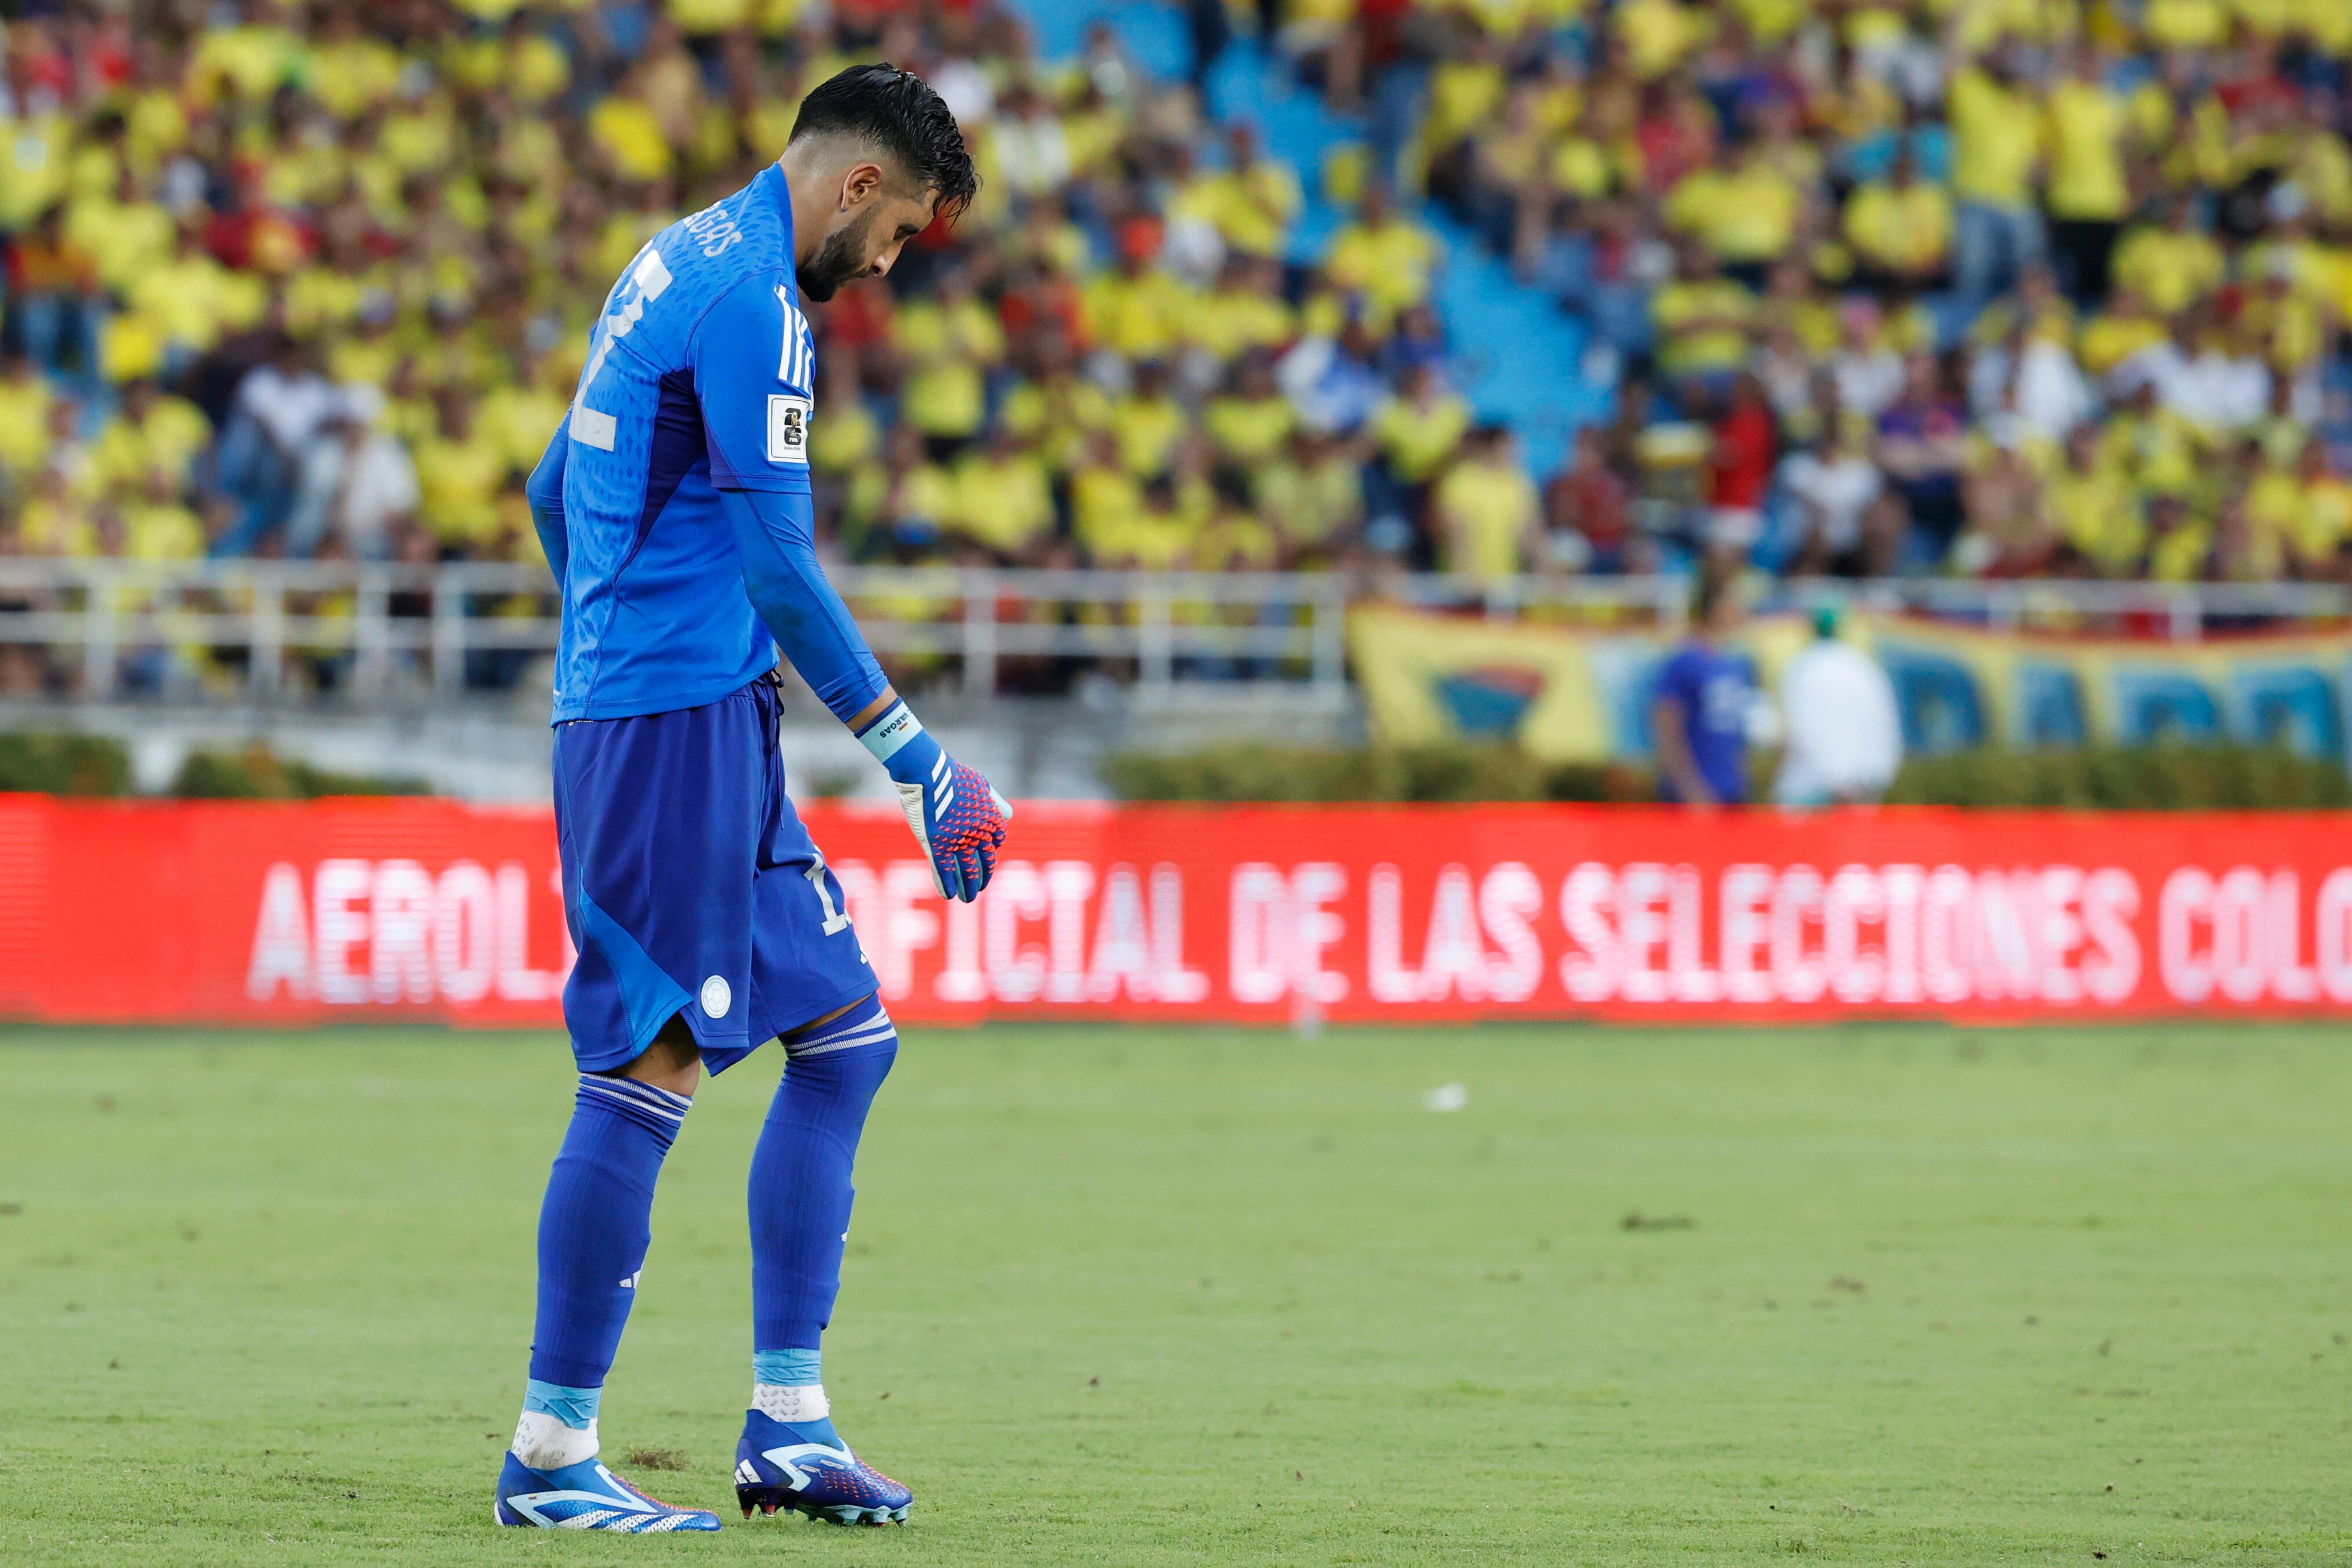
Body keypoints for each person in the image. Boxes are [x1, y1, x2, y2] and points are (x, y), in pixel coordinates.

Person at [496, 66, 1002, 1535]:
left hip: (701, 714)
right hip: (668, 732)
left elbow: (549, 491)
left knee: (845, 1037)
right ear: (855, 187)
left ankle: (788, 1422)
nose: (890, 262)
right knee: (646, 1068)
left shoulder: (672, 259)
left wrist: (628, 624)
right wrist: (922, 762)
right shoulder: (757, 307)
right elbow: (780, 565)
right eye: (899, 231)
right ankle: (548, 1452)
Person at [1650, 570, 1760, 807]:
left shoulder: (1738, 663)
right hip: (1693, 797)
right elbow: (1666, 728)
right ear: (1716, 607)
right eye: (1733, 601)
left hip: (1731, 791)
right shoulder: (1683, 661)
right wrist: (1690, 789)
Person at [1774, 607, 1902, 805]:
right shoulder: (1863, 666)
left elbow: (1802, 730)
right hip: (1858, 787)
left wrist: (1838, 783)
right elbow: (1884, 727)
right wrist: (1874, 779)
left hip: (1812, 791)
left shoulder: (1803, 668)